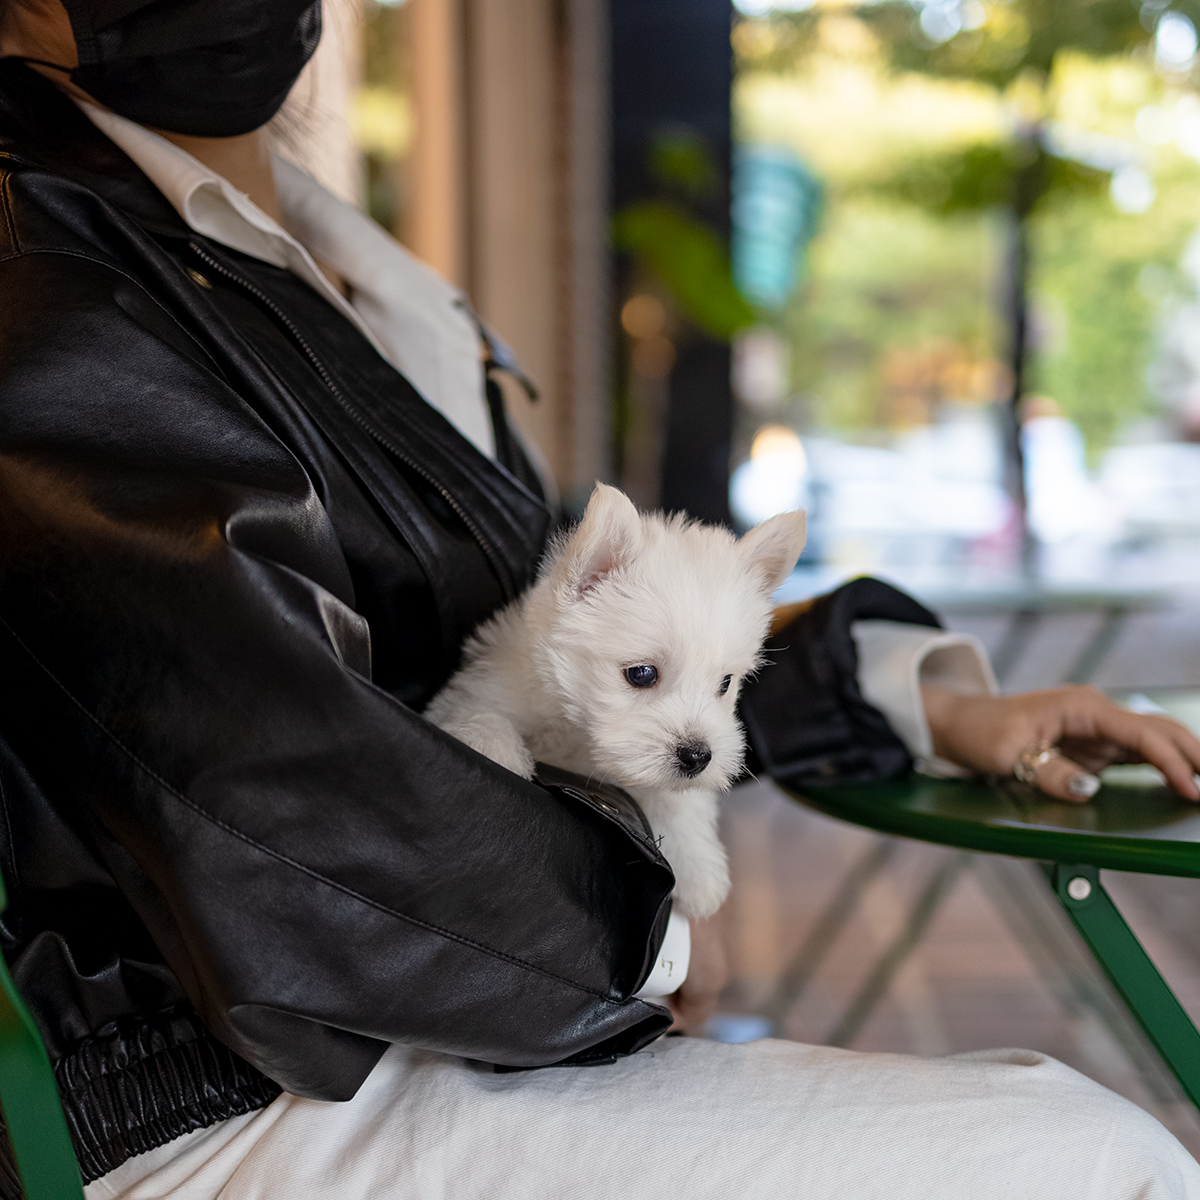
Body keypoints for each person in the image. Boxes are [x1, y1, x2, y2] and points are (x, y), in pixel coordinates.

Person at [2, 2, 1200, 1197]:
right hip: (240, 1087)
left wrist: (909, 697)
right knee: (1100, 1159)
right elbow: (273, 790)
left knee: (1060, 1127)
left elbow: (573, 667)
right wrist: (646, 930)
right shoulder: (44, 278)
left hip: (428, 1011)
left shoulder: (309, 263)